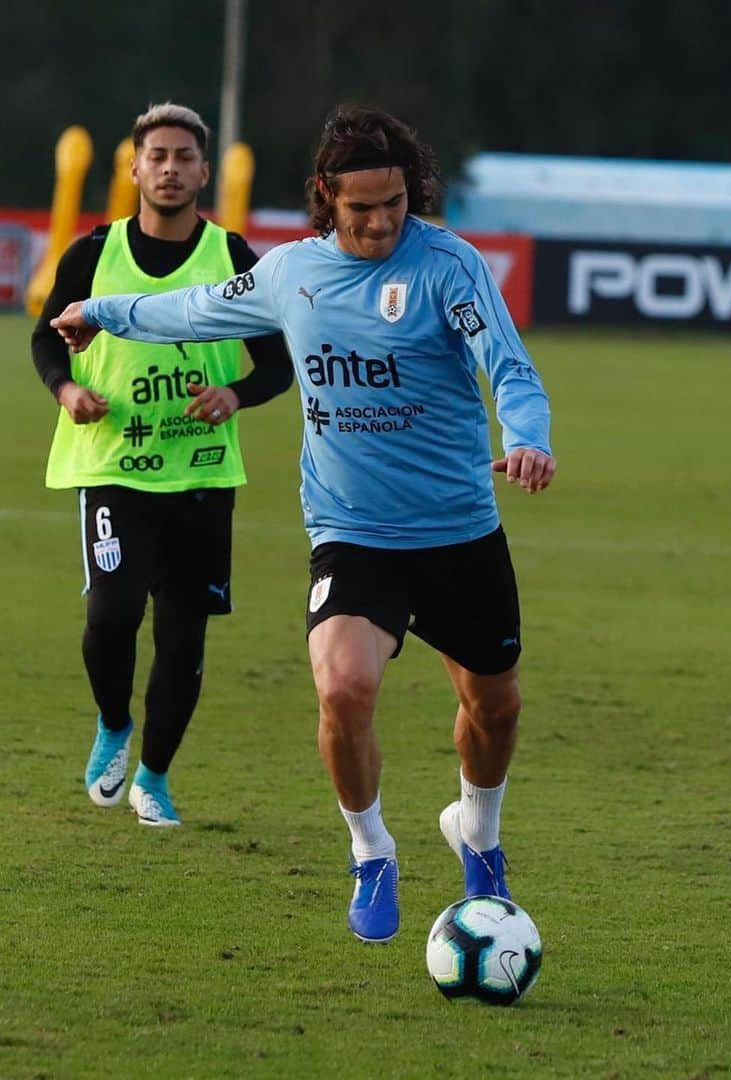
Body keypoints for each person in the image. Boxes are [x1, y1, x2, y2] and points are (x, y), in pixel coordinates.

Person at [51, 104, 556, 944]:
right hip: (352, 530)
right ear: (327, 197)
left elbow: (509, 368)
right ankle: (371, 852)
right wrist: (102, 313)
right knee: (343, 684)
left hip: (458, 527)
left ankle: (479, 832)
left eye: (395, 203)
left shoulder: (451, 268)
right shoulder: (292, 274)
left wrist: (530, 438)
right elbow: (194, 308)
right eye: (362, 207)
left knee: (494, 707)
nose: (381, 221)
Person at [33, 103, 293, 825]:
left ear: (205, 171)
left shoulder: (235, 259)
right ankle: (114, 722)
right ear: (135, 167)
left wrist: (233, 395)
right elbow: (46, 340)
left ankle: (154, 776)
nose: (171, 168)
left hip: (202, 474)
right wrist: (67, 388)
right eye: (159, 156)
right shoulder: (91, 254)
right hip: (114, 464)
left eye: (184, 157)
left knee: (183, 635)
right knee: (112, 612)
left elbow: (278, 362)